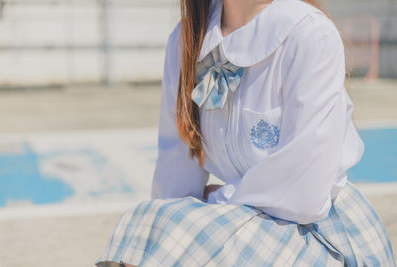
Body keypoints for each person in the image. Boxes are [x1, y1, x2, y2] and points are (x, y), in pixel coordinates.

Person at [95, 0, 396, 266]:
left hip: (315, 230)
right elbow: (175, 170)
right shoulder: (186, 38)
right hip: (235, 223)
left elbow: (305, 193)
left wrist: (219, 200)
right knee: (142, 225)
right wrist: (161, 231)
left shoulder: (308, 33)